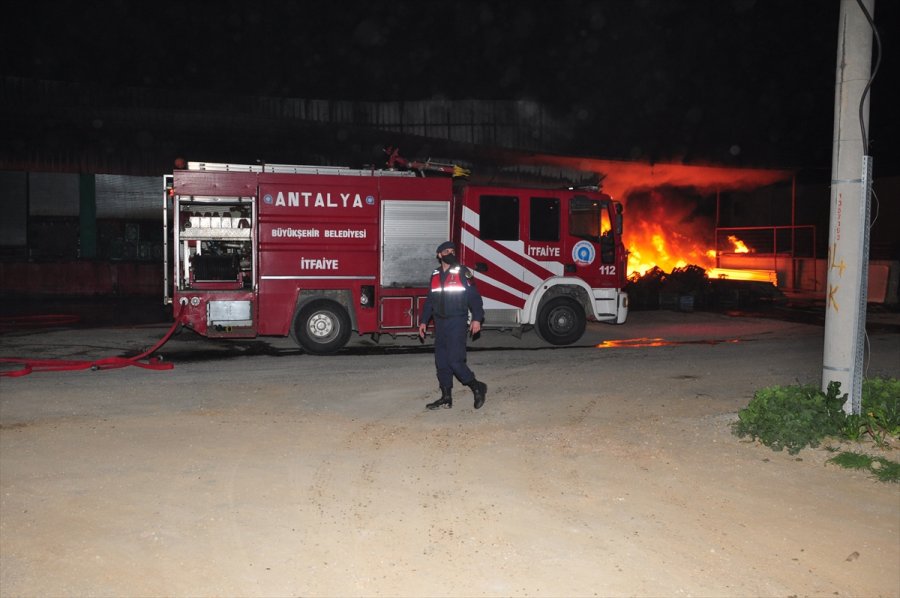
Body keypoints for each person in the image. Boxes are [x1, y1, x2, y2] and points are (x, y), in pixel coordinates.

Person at [418, 241, 488, 410]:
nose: (450, 253)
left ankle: (477, 386)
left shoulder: (462, 272)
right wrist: (423, 321)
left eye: (452, 251)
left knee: (455, 361)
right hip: (440, 322)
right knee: (441, 361)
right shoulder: (435, 274)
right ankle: (446, 397)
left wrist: (477, 318)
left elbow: (474, 298)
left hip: (457, 321)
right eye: (446, 251)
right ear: (439, 255)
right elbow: (430, 300)